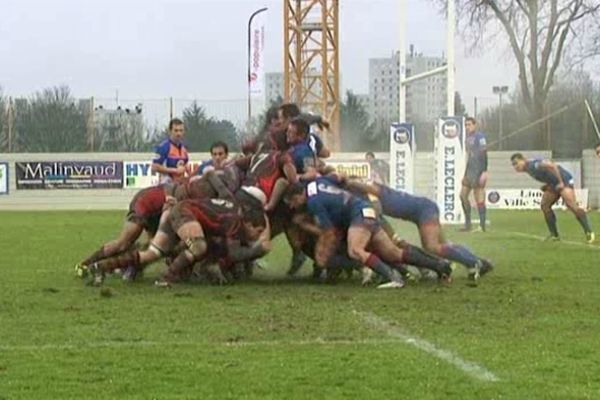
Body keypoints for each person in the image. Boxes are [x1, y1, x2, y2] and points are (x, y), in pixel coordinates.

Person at [284, 178, 453, 289]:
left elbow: (329, 232)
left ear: (299, 195)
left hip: (358, 214)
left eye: (292, 202)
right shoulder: (316, 183)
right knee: (394, 253)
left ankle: (392, 277)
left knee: (355, 250)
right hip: (365, 209)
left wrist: (305, 226)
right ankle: (440, 266)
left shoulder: (314, 203)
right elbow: (339, 180)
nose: (292, 206)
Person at [345, 180, 493, 281]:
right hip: (422, 209)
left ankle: (474, 263)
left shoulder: (368, 192)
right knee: (444, 245)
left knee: (432, 246)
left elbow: (377, 208)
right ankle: (479, 262)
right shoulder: (367, 190)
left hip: (423, 210)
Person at [510, 153, 595, 243]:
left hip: (564, 179)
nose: (515, 166)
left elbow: (552, 166)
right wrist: (547, 185)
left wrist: (561, 182)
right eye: (513, 165)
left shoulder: (533, 165)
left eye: (516, 163)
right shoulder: (527, 169)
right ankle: (554, 235)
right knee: (545, 205)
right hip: (553, 183)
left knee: (571, 205)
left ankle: (589, 231)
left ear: (523, 159)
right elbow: (547, 174)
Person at [459, 117, 488, 232]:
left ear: (475, 125)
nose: (467, 127)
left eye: (469, 124)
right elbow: (470, 157)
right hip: (469, 170)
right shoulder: (468, 138)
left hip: (478, 170)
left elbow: (484, 154)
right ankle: (468, 224)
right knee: (462, 195)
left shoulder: (479, 137)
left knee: (478, 197)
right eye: (466, 125)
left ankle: (482, 226)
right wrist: (465, 173)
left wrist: (484, 171)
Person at [151, 118, 189, 183]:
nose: (178, 133)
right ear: (170, 131)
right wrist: (175, 170)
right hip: (166, 184)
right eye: (176, 131)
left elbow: (185, 166)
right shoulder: (163, 147)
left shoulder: (184, 149)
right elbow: (154, 167)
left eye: (181, 130)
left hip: (180, 185)